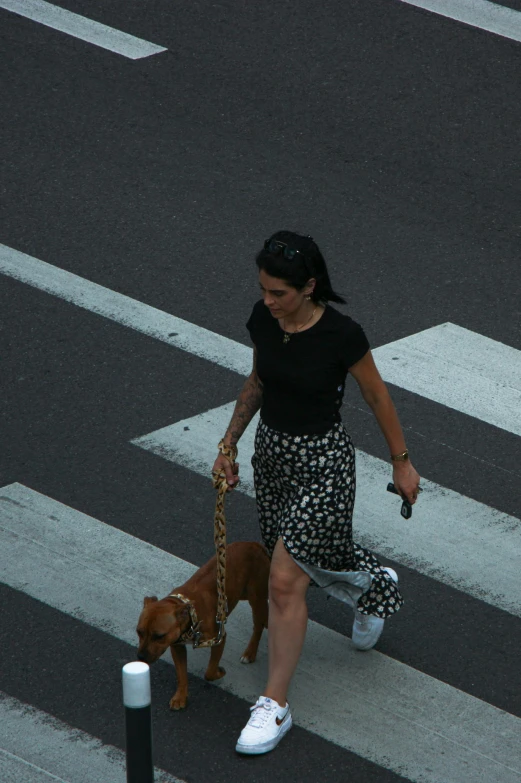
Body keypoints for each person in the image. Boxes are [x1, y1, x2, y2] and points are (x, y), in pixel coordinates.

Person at [211, 231, 421, 756]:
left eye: (278, 293)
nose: (267, 302)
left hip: (325, 464)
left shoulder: (342, 335)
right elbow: (258, 380)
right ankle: (374, 585)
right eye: (262, 290)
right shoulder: (265, 321)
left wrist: (402, 462)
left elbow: (376, 394)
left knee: (285, 579)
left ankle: (274, 706)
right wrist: (229, 444)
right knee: (314, 557)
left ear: (308, 287)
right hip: (274, 458)